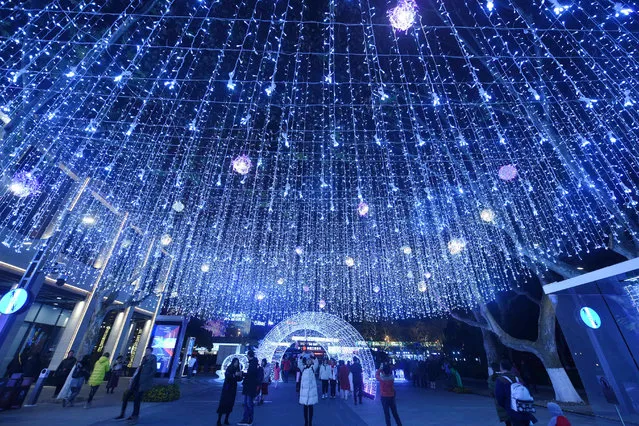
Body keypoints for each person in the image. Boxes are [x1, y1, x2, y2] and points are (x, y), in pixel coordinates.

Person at [115, 347, 157, 423]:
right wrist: (133, 377)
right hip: (136, 381)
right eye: (146, 350)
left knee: (137, 400)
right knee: (126, 397)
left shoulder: (152, 359)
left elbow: (154, 370)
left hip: (142, 382)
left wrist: (146, 378)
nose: (146, 352)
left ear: (151, 351)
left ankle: (135, 416)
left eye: (148, 351)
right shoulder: (144, 358)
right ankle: (122, 414)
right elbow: (139, 369)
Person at [494, 359, 538, 426]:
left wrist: (506, 405)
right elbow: (527, 391)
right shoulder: (517, 378)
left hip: (511, 409)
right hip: (523, 407)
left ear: (501, 367)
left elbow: (499, 397)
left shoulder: (500, 380)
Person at [217, 358, 243, 426]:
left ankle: (226, 419)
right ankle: (219, 420)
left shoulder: (238, 369)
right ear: (233, 362)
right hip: (227, 388)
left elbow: (239, 379)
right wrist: (234, 375)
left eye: (237, 362)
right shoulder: (230, 368)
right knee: (223, 403)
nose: (236, 364)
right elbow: (227, 376)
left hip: (233, 388)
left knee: (230, 404)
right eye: (235, 362)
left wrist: (240, 376)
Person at [238, 350, 259, 426]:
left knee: (249, 403)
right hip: (249, 386)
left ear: (249, 355)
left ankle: (249, 419)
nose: (246, 357)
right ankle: (245, 419)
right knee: (247, 403)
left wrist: (243, 374)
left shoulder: (253, 363)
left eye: (247, 355)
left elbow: (251, 374)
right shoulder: (253, 363)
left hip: (250, 386)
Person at [299, 354, 319, 426]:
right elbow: (299, 363)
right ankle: (306, 422)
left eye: (309, 360)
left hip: (311, 391)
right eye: (307, 360)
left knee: (310, 407)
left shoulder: (313, 368)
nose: (308, 361)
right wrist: (301, 356)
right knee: (305, 408)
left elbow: (316, 363)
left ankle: (310, 422)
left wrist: (314, 357)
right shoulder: (303, 368)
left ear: (311, 362)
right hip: (304, 392)